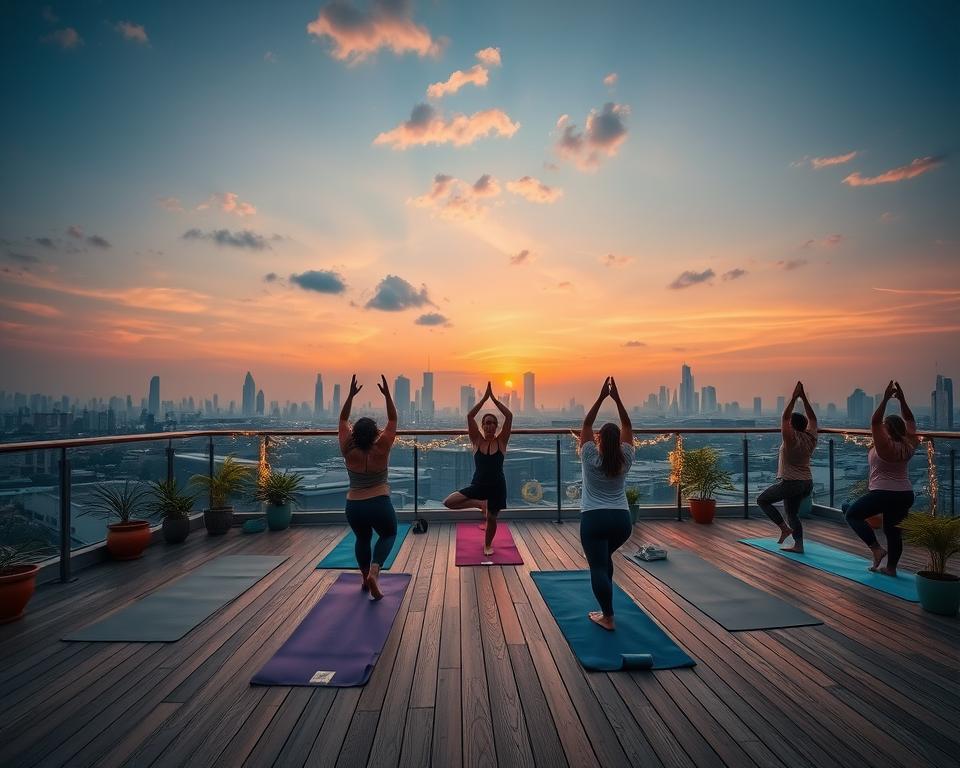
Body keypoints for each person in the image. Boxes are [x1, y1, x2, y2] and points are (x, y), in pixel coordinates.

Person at [578, 376, 635, 631]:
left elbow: (586, 423)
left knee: (598, 567)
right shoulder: (626, 458)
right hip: (622, 521)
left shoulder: (590, 456)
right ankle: (605, 609)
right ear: (618, 441)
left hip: (594, 518)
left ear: (599, 439)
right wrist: (618, 399)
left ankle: (608, 617)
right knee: (604, 560)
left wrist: (602, 397)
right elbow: (628, 425)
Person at [844, 381, 918, 575]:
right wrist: (902, 400)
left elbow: (875, 421)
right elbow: (910, 419)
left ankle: (876, 549)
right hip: (905, 494)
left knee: (852, 514)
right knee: (893, 532)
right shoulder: (909, 445)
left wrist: (885, 398)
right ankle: (891, 569)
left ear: (888, 429)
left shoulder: (884, 446)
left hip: (883, 493)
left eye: (884, 427)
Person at [339, 374, 398, 600]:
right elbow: (392, 420)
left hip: (354, 505)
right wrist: (387, 395)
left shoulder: (347, 448)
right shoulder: (382, 446)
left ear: (355, 433)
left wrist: (351, 395)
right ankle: (375, 571)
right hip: (379, 502)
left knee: (362, 539)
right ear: (376, 433)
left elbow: (343, 419)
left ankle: (364, 579)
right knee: (389, 533)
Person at [443, 381, 512, 557]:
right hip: (479, 484)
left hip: (497, 485)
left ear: (497, 427)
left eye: (493, 423)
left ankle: (487, 545)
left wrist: (494, 399)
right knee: (449, 502)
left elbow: (509, 416)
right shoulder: (477, 441)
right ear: (482, 426)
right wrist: (483, 399)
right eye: (487, 423)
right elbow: (469, 416)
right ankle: (479, 503)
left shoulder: (501, 442)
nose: (490, 426)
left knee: (491, 518)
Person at [757, 381, 818, 553]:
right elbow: (813, 419)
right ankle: (798, 545)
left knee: (762, 500)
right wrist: (803, 397)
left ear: (791, 426)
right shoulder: (811, 438)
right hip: (807, 482)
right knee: (792, 513)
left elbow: (784, 417)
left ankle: (784, 529)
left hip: (792, 482)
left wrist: (794, 398)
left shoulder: (791, 440)